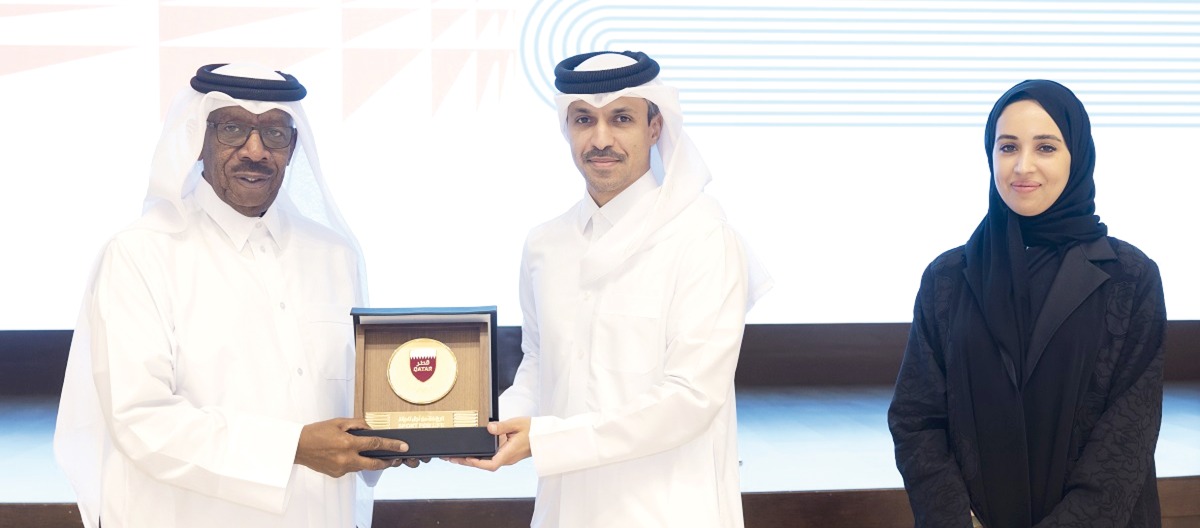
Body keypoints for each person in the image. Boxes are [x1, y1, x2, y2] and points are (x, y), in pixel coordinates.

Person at [53, 63, 413, 528]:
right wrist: (294, 449)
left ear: (294, 146)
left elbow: (351, 399)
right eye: (233, 129)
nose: (255, 151)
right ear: (197, 141)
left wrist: (400, 435)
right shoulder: (140, 254)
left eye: (275, 134)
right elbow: (140, 419)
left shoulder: (333, 255)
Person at [449, 51, 771, 527]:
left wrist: (548, 439)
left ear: (654, 127)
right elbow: (541, 363)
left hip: (667, 509)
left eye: (621, 118)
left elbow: (691, 397)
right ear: (567, 128)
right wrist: (485, 429)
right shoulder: (545, 244)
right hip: (564, 508)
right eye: (584, 119)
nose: (601, 139)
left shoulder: (702, 238)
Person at [888, 80, 1166, 528]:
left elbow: (1128, 434)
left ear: (1077, 156)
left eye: (1046, 148)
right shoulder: (947, 278)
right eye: (1008, 146)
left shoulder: (1130, 277)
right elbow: (915, 418)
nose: (1022, 165)